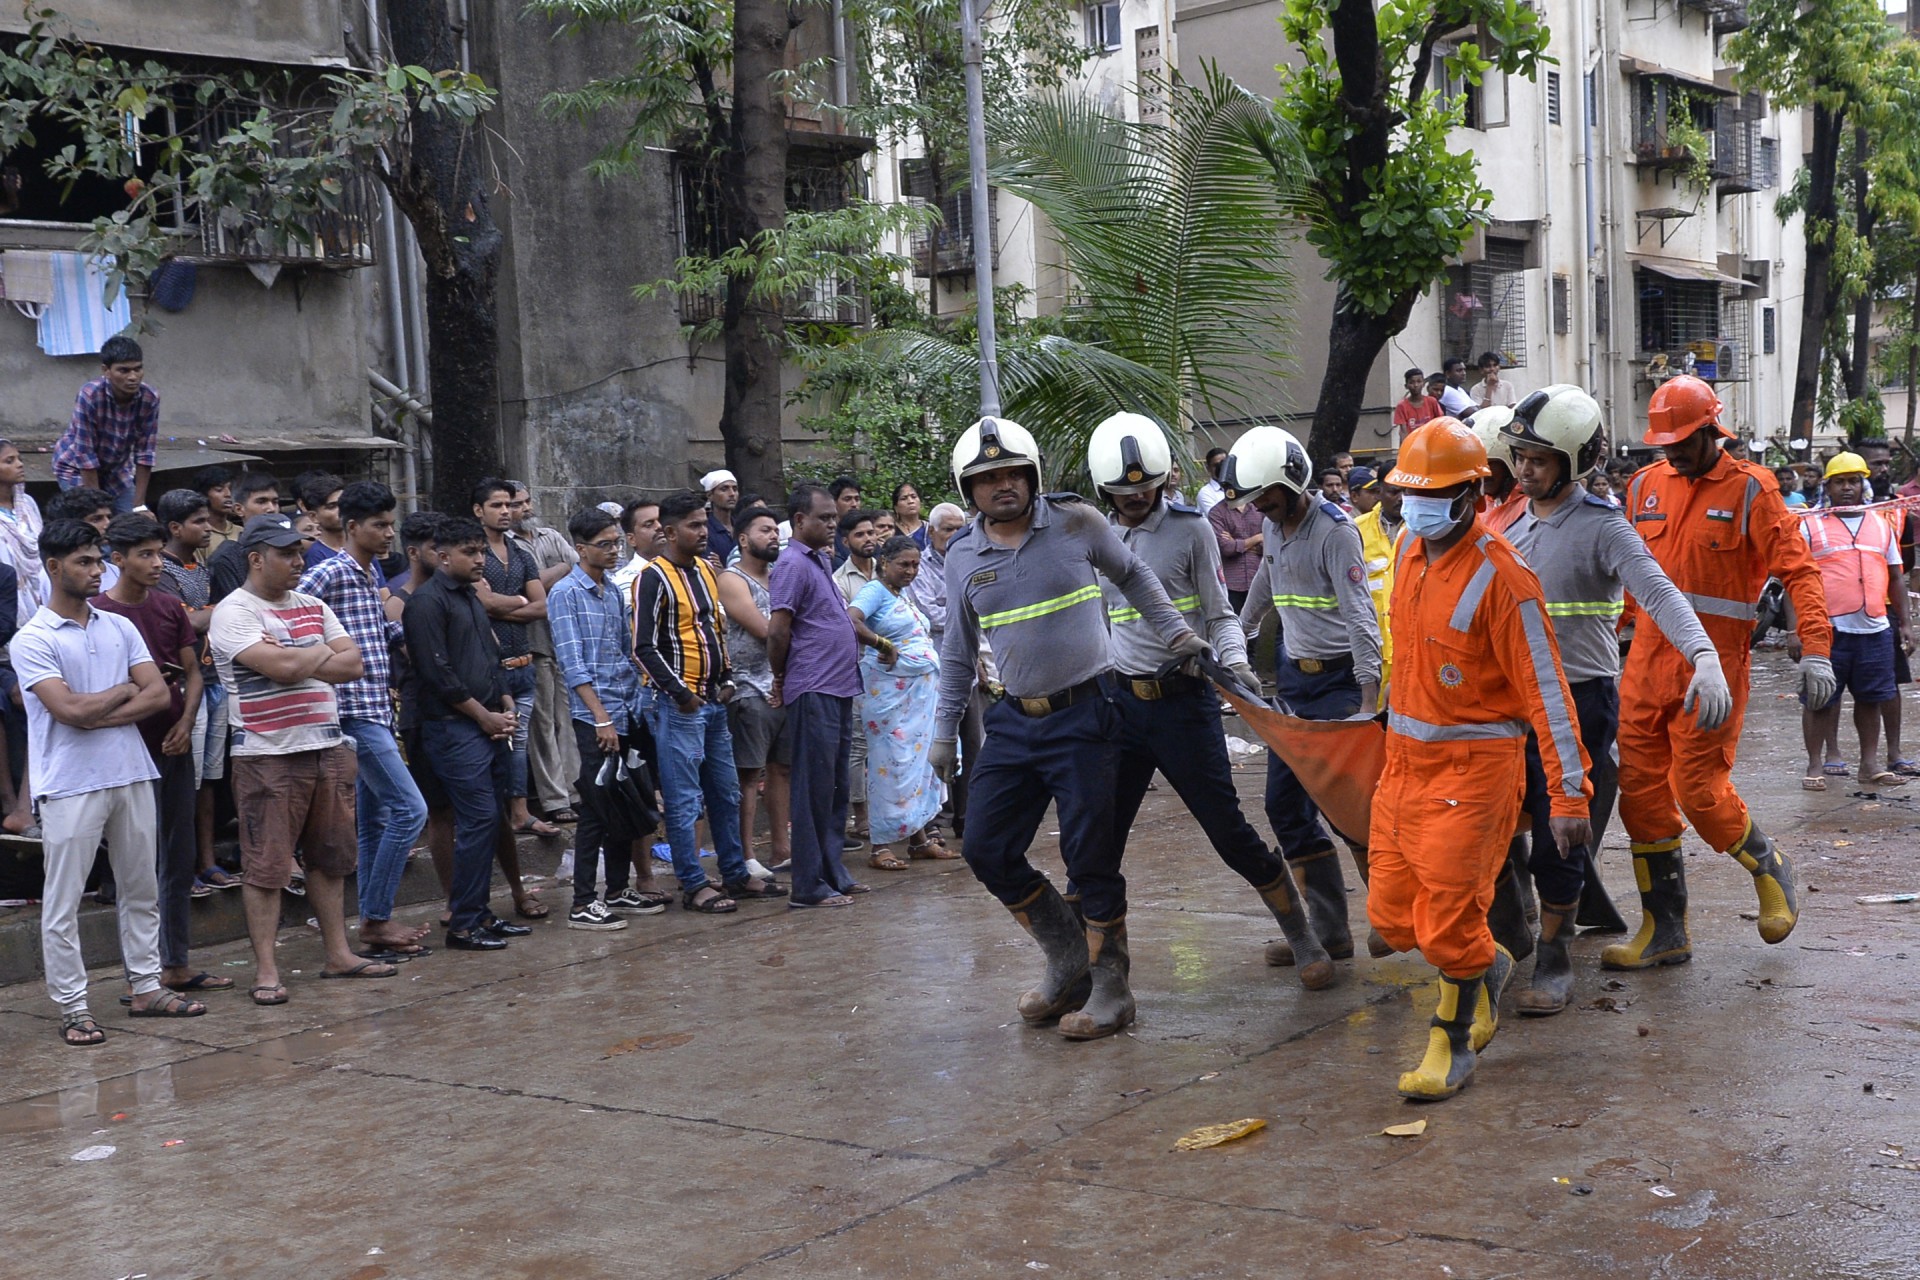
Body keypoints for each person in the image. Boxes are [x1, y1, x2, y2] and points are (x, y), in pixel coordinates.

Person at [930, 417, 1204, 1040]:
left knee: (1090, 858)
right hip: (1012, 722)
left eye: (1012, 474)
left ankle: (1113, 988)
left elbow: (1133, 576)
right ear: (968, 489)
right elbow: (955, 649)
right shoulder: (962, 555)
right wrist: (944, 732)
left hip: (1088, 715)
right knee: (985, 847)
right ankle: (1066, 957)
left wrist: (1176, 633)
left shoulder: (1079, 522)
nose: (1002, 485)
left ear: (1032, 477)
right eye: (987, 478)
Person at [1367, 420, 1592, 1100]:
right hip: (1403, 768)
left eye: (1434, 494)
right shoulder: (1409, 548)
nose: (1417, 507)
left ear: (1472, 492)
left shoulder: (1505, 578)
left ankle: (1452, 1040)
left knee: (1445, 921)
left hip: (1473, 777)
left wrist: (1569, 796)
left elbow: (1550, 694)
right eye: (1410, 493)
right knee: (1390, 918)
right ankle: (1484, 964)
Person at [1498, 386, 1727, 1015]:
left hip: (1580, 700)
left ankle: (1553, 954)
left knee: (1559, 833)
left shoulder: (1605, 526)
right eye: (1519, 457)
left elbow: (1660, 596)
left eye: (1539, 460)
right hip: (1511, 704)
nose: (1524, 470)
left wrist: (1704, 657)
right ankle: (1512, 931)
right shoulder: (1506, 521)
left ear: (1575, 462)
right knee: (1487, 823)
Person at [1085, 414, 1332, 987]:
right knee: (1098, 835)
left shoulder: (1191, 528)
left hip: (1183, 702)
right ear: (1105, 491)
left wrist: (1236, 663)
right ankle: (1095, 969)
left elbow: (1219, 613)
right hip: (1121, 706)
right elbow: (1098, 617)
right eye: (1126, 492)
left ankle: (1301, 932)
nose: (1139, 498)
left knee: (1228, 830)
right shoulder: (1095, 534)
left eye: (1148, 487)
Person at [1609, 375, 1832, 973]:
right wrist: (1621, 633)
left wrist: (1816, 648)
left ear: (1713, 430)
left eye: (1682, 441)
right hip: (1645, 665)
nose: (1672, 453)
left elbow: (1800, 572)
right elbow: (1635, 573)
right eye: (1665, 443)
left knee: (1699, 791)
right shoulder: (1643, 486)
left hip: (1713, 667)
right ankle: (1664, 930)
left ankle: (1768, 863)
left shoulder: (1751, 489)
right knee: (1641, 793)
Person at [208, 514, 399, 1003]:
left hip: (327, 747)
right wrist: (312, 652)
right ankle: (267, 971)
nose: (299, 562)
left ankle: (338, 954)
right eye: (287, 554)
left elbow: (352, 663)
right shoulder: (234, 612)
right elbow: (285, 667)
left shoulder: (312, 603)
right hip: (268, 754)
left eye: (300, 553)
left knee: (331, 859)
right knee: (267, 867)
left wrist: (297, 654)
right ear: (256, 558)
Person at [21, 519, 197, 1044]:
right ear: (54, 567)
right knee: (63, 901)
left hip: (131, 770)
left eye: (99, 561)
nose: (96, 571)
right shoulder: (34, 638)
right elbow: (68, 710)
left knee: (141, 887)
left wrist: (98, 707)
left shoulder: (119, 627)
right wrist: (120, 693)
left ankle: (146, 986)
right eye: (84, 562)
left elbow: (160, 698)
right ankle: (74, 1007)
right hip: (70, 782)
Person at [1229, 425, 1384, 973]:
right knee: (1283, 806)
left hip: (1341, 686)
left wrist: (1368, 701)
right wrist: (1237, 638)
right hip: (1295, 684)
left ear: (1291, 481)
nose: (1261, 506)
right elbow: (1265, 589)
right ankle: (1329, 929)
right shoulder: (1273, 529)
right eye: (1254, 498)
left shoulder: (1335, 532)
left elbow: (1361, 615)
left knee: (1351, 811)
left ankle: (1390, 916)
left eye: (1266, 494)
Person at [297, 482, 434, 955]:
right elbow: (288, 613)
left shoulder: (369, 570)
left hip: (377, 705)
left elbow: (374, 628)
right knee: (410, 810)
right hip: (350, 711)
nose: (388, 533)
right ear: (352, 527)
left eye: (391, 525)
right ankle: (375, 918)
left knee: (376, 820)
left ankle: (376, 918)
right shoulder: (329, 572)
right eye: (379, 526)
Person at [94, 512, 225, 999]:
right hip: (127, 748)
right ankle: (142, 972)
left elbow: (192, 672)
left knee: (178, 853)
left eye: (156, 552)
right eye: (144, 555)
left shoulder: (169, 607)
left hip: (173, 741)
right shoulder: (101, 613)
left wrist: (187, 722)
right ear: (117, 560)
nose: (154, 562)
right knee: (137, 862)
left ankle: (175, 962)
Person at [632, 491, 782, 912]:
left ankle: (734, 873)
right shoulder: (653, 577)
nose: (703, 532)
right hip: (680, 707)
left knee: (726, 791)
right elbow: (643, 646)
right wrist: (681, 695)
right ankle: (694, 883)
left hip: (716, 700)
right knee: (683, 799)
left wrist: (728, 679)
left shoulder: (704, 570)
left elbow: (717, 631)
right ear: (670, 531)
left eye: (704, 523)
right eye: (694, 525)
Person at [401, 515, 527, 952]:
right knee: (474, 821)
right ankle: (464, 922)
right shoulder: (426, 603)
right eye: (470, 552)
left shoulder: (470, 597)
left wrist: (505, 703)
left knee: (491, 819)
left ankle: (482, 913)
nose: (480, 559)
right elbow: (438, 674)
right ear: (442, 556)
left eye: (481, 551)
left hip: (488, 722)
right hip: (454, 728)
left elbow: (490, 657)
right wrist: (483, 716)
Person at [768, 483, 889, 909]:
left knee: (836, 786)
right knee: (812, 788)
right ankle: (807, 884)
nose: (833, 523)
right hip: (812, 685)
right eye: (824, 518)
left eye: (834, 517)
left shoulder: (820, 560)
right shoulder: (792, 564)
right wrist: (781, 678)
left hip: (839, 684)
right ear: (800, 521)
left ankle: (832, 869)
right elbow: (779, 629)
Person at [548, 506, 664, 930]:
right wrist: (601, 719)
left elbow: (623, 651)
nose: (614, 550)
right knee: (597, 809)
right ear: (580, 549)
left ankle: (617, 889)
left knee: (625, 801)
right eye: (605, 545)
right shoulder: (565, 594)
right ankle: (582, 902)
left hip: (627, 708)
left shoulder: (613, 590)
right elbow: (572, 664)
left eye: (616, 542)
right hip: (595, 716)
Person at [1795, 452, 1910, 788]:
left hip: (1874, 627)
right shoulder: (1810, 524)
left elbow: (1896, 577)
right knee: (1819, 698)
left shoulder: (1881, 524)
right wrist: (1794, 628)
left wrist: (1904, 623)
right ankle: (1815, 766)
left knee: (1872, 697)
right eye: (1840, 482)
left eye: (1854, 481)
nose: (1848, 488)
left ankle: (1869, 764)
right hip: (1826, 628)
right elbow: (1795, 580)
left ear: (1863, 485)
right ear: (1827, 486)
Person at [847, 534, 953, 866]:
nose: (911, 571)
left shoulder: (900, 594)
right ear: (884, 563)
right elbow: (850, 620)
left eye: (916, 565)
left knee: (914, 766)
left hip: (915, 701)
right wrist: (883, 645)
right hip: (889, 698)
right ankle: (880, 846)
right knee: (889, 767)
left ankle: (919, 840)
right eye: (904, 564)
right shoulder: (873, 591)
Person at [472, 478, 559, 839]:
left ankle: (520, 812)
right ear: (479, 510)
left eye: (509, 505)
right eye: (497, 505)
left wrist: (508, 606)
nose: (506, 511)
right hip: (493, 666)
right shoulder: (475, 553)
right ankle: (493, 816)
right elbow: (484, 603)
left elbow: (542, 606)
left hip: (524, 661)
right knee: (492, 743)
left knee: (520, 743)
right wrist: (519, 603)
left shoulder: (522, 553)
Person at [716, 506, 794, 878]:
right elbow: (767, 631)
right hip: (749, 689)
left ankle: (781, 849)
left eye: (775, 530)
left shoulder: (780, 576)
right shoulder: (732, 580)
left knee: (782, 770)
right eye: (765, 531)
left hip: (783, 686)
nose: (774, 536)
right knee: (748, 775)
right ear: (744, 539)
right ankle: (746, 855)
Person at [509, 482, 583, 826]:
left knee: (566, 720)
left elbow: (578, 566)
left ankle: (576, 790)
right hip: (532, 643)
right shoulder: (506, 547)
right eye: (515, 504)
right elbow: (532, 582)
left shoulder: (550, 536)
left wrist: (541, 579)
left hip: (563, 640)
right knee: (542, 725)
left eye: (525, 502)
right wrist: (557, 572)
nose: (523, 509)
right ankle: (554, 799)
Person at [907, 502, 978, 835]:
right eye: (947, 529)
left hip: (970, 668)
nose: (954, 534)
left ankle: (968, 818)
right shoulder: (918, 567)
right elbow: (931, 616)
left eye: (959, 527)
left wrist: (957, 608)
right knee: (936, 745)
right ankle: (935, 821)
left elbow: (980, 606)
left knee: (972, 747)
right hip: (933, 673)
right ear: (931, 531)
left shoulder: (971, 557)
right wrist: (963, 609)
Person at [1856, 439, 1915, 777]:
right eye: (1874, 464)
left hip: (1886, 608)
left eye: (1885, 463)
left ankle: (1894, 753)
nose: (1882, 470)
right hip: (1840, 609)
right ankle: (1831, 757)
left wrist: (1905, 620)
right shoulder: (1827, 509)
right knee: (1832, 688)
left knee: (1890, 683)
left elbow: (1904, 564)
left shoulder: (1900, 508)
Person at [53, 336, 158, 513]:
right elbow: (85, 455)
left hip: (117, 472)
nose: (133, 377)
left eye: (137, 369)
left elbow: (145, 453)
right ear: (106, 371)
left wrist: (139, 506)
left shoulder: (150, 397)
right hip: (75, 470)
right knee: (95, 525)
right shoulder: (90, 395)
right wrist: (99, 509)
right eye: (123, 371)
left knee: (133, 526)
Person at [833, 508, 883, 850]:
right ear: (846, 540)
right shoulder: (840, 581)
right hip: (860, 669)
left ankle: (890, 812)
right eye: (860, 535)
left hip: (896, 674)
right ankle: (862, 817)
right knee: (858, 746)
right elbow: (848, 627)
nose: (868, 539)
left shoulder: (890, 570)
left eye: (871, 533)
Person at [1349, 469, 1399, 688]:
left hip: (1411, 646)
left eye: (1407, 491)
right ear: (1379, 492)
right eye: (1394, 492)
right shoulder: (1356, 529)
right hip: (1370, 647)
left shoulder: (1423, 530)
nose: (1402, 498)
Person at [208, 473, 286, 603]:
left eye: (275, 502)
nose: (271, 509)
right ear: (239, 509)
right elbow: (239, 606)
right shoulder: (226, 558)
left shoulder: (287, 547)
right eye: (261, 501)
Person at [37, 487, 120, 600]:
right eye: (96, 519)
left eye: (109, 517)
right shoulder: (54, 574)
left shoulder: (116, 572)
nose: (107, 524)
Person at [0, 437, 45, 624]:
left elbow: (42, 547)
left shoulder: (28, 503)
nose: (19, 465)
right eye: (9, 461)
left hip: (41, 592)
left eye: (19, 459)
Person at [1207, 481, 1265, 614]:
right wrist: (1256, 538)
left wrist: (1237, 543)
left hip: (1258, 578)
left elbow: (1269, 544)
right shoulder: (1217, 512)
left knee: (1257, 627)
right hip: (1232, 583)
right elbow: (1226, 548)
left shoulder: (1258, 508)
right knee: (1234, 626)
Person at [1469, 408, 1529, 534]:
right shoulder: (1481, 502)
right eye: (1477, 465)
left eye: (1489, 464)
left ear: (1509, 465)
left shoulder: (1529, 506)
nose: (1482, 473)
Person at [297, 473, 351, 570]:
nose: (341, 510)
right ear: (313, 516)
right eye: (332, 506)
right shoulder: (316, 557)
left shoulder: (361, 546)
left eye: (343, 503)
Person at [612, 497, 663, 598]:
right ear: (632, 539)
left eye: (662, 520)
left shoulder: (690, 570)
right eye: (649, 525)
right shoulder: (628, 582)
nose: (659, 526)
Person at [192, 465, 236, 554]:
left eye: (231, 489)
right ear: (204, 495)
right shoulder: (199, 536)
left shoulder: (242, 532)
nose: (228, 494)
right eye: (219, 490)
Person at [702, 469, 741, 567]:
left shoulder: (742, 526)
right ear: (710, 495)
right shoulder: (705, 529)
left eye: (735, 489)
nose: (732, 494)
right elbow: (711, 565)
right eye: (724, 489)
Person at [1393, 367, 1443, 437]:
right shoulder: (1402, 406)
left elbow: (1440, 422)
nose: (1416, 385)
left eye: (1419, 381)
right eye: (1411, 382)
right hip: (1412, 444)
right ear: (1406, 386)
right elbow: (1403, 431)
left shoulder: (1432, 402)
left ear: (1423, 384)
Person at [829, 476, 862, 563]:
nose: (854, 504)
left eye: (857, 499)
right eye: (847, 499)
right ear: (834, 502)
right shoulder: (828, 534)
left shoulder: (868, 531)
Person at [891, 481, 928, 547]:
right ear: (896, 507)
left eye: (913, 497)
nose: (911, 501)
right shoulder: (891, 530)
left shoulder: (929, 528)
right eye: (904, 498)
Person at [1195, 447, 1229, 514]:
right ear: (1208, 468)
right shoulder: (1205, 493)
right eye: (1216, 465)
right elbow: (1217, 518)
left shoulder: (1236, 488)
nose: (1221, 468)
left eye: (1224, 464)